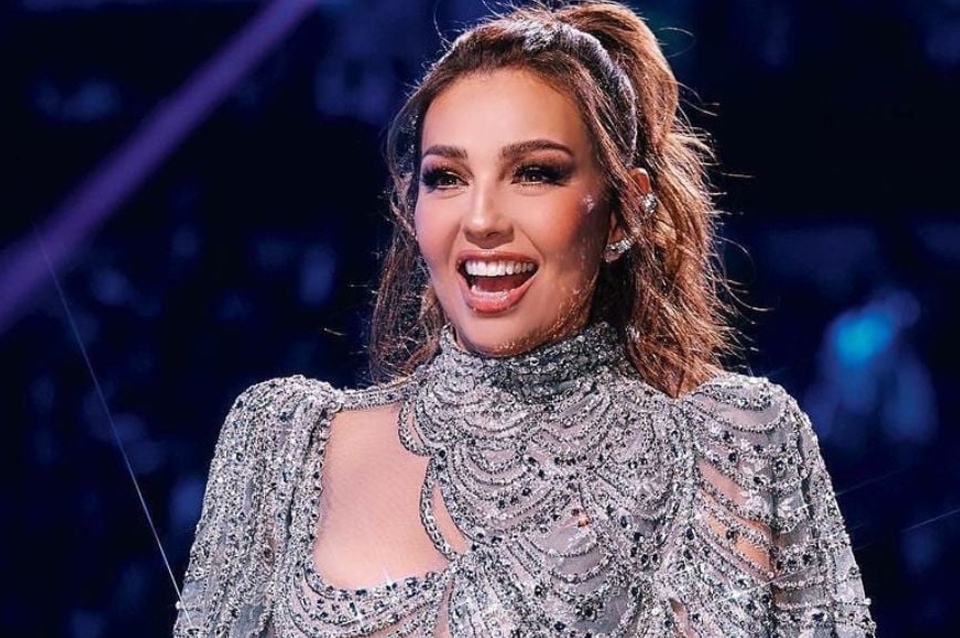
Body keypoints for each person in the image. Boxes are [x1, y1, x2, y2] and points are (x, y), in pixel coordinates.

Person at [173, 2, 875, 636]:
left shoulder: (733, 447)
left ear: (625, 210)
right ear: (411, 206)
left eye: (535, 172)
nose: (481, 220)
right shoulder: (285, 447)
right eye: (447, 178)